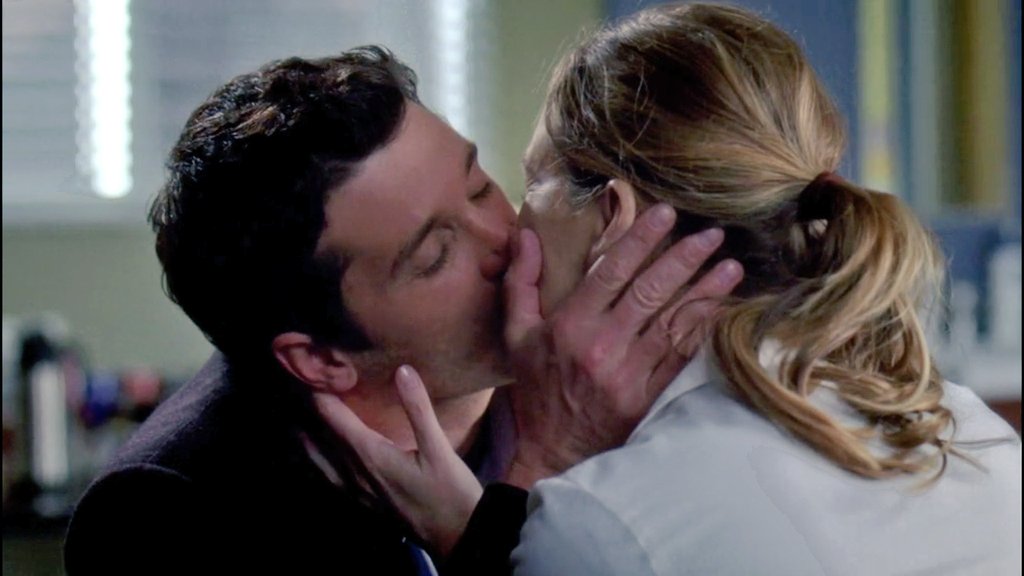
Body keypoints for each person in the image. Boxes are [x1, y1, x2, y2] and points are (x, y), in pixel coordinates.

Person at [328, 4, 1023, 575]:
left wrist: (495, 528)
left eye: (529, 181)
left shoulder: (602, 529)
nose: (509, 230)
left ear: (613, 217)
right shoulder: (980, 438)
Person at [62, 47, 742, 575]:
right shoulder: (167, 517)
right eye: (436, 254)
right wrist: (531, 481)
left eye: (480, 188)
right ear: (320, 359)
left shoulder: (617, 370)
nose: (506, 239)